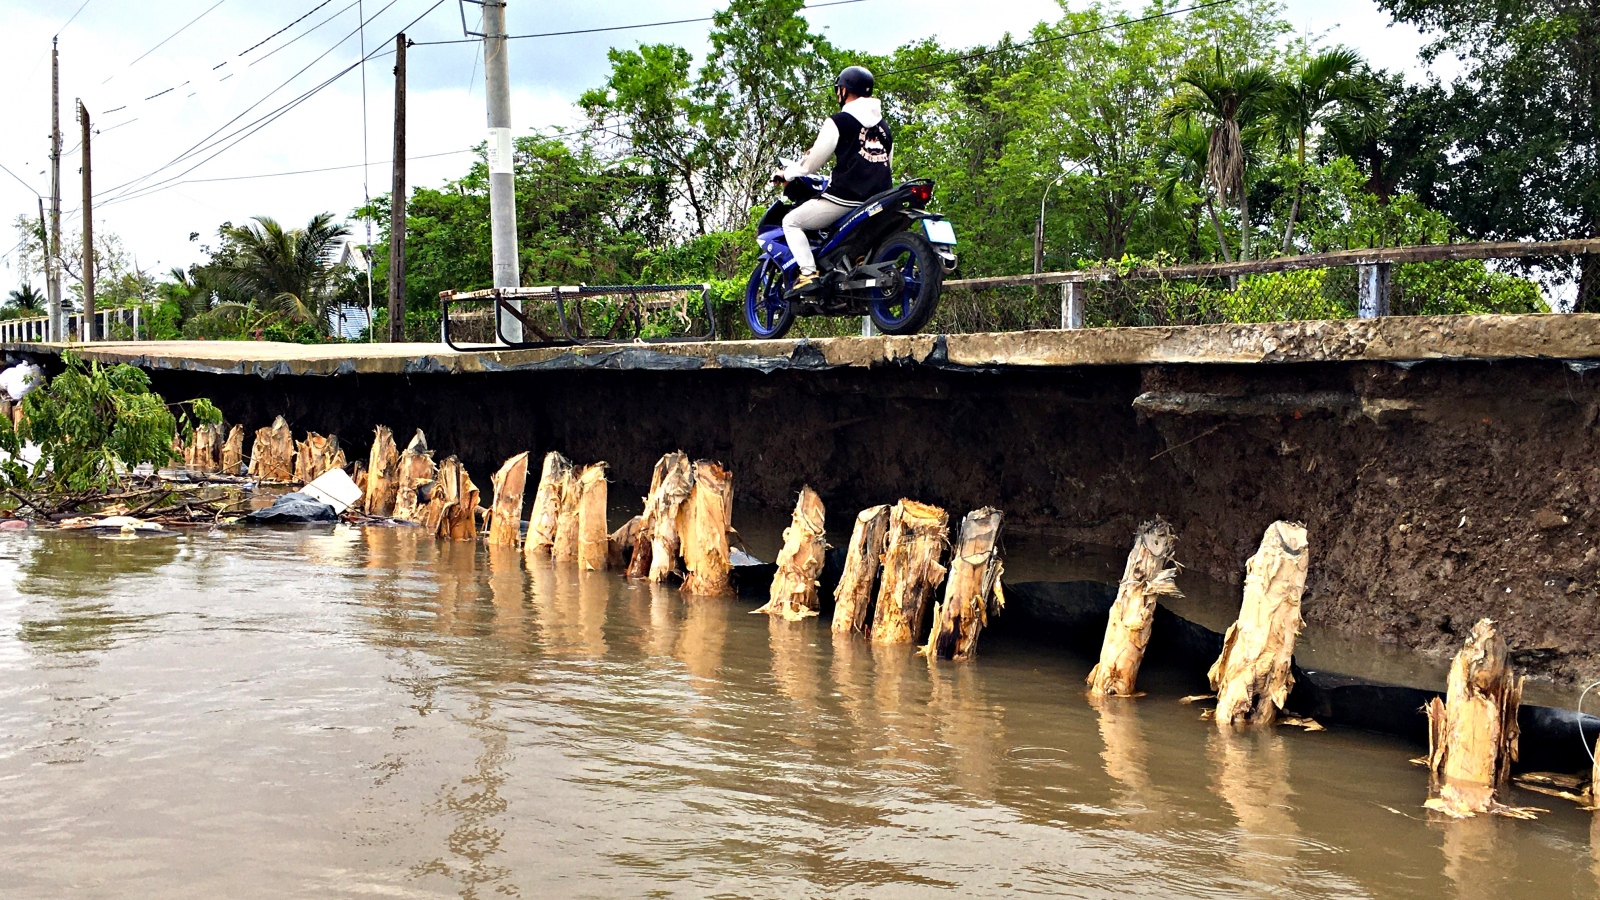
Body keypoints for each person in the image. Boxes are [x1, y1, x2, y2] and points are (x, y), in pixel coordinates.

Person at [775, 65, 893, 297]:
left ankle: (808, 274)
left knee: (791, 222)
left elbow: (810, 165)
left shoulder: (839, 121)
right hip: (880, 198)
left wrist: (786, 173)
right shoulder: (885, 128)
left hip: (847, 199)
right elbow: (886, 163)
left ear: (844, 91)